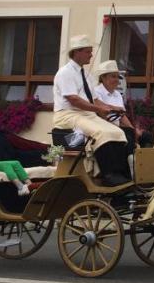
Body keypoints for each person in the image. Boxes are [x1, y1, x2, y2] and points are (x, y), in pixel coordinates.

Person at [52, 34, 131, 185]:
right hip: (67, 115)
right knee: (101, 132)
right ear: (77, 52)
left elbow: (94, 99)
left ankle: (122, 174)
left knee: (118, 132)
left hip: (86, 114)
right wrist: (98, 109)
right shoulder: (65, 73)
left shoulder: (86, 75)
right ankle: (108, 175)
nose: (91, 55)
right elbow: (74, 100)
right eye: (88, 51)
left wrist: (112, 108)